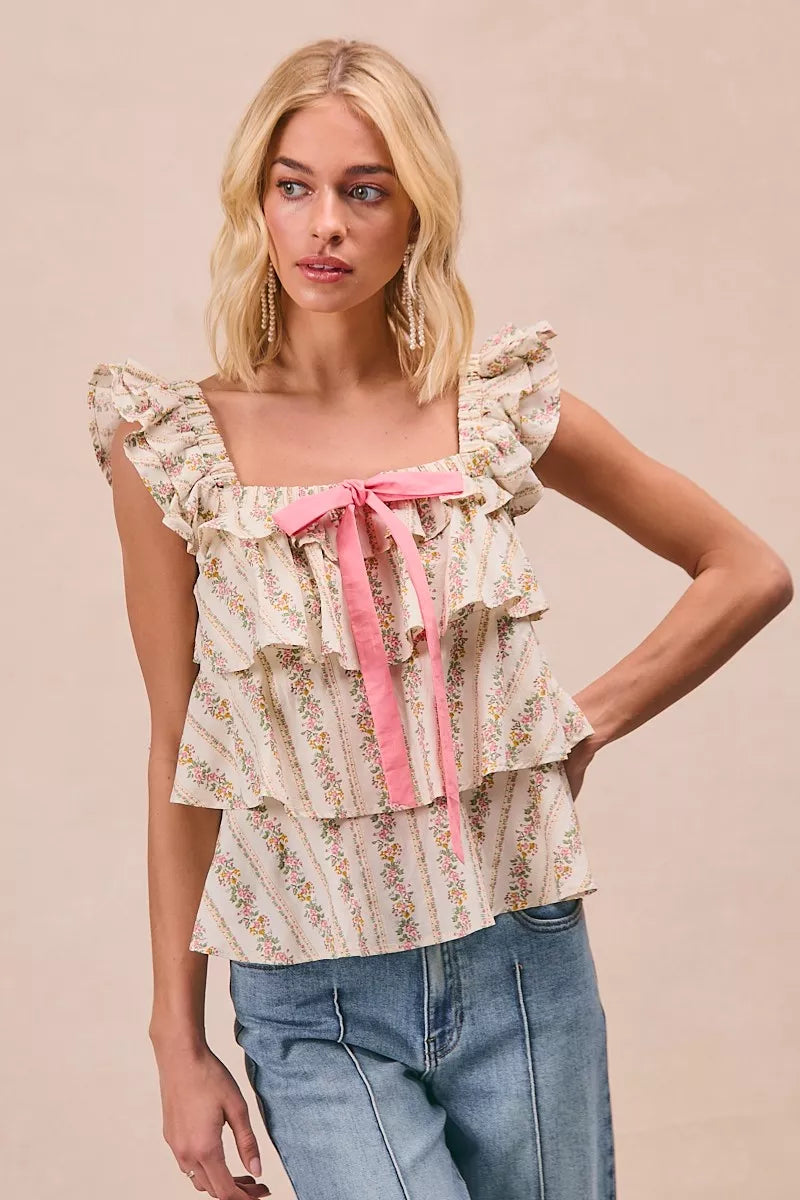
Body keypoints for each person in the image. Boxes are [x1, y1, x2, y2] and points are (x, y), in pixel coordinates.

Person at [86, 36, 793, 1200]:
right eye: (294, 186)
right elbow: (178, 747)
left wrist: (580, 723)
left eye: (364, 191)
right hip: (308, 995)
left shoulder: (491, 412)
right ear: (254, 200)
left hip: (518, 963)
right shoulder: (170, 449)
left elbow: (745, 570)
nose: (325, 225)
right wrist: (177, 1037)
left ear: (414, 214)